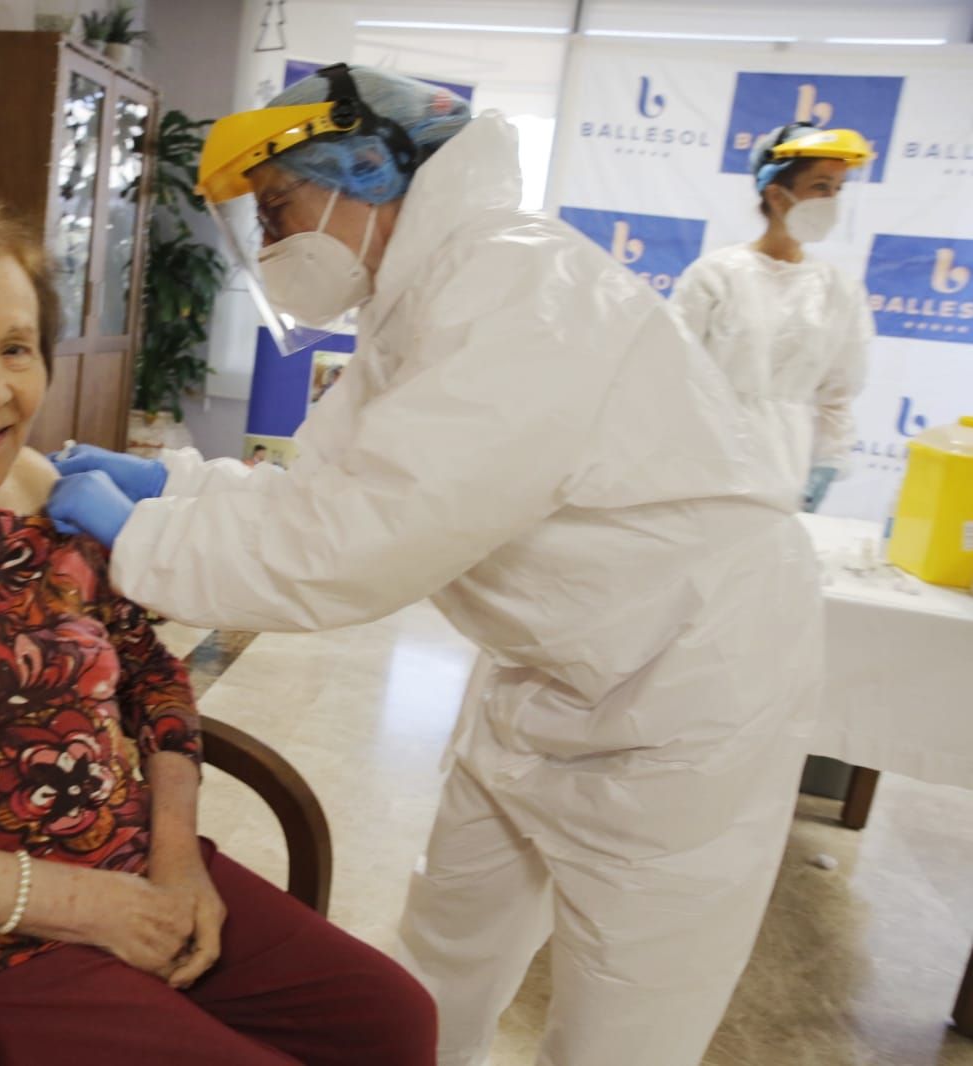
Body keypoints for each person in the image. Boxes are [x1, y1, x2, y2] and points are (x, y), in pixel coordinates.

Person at [47, 65, 824, 1066]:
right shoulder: (419, 301)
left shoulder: (519, 289)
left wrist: (136, 538)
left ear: (368, 166)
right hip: (548, 666)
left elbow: (350, 549)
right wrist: (166, 487)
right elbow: (317, 495)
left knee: (625, 1016)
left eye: (279, 210)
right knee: (446, 948)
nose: (275, 246)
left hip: (689, 687)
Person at [0, 183, 436, 1066]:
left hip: (129, 869)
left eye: (17, 349)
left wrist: (174, 859)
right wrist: (87, 908)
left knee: (393, 1022)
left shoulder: (50, 493)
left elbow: (151, 676)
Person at [673, 123, 875, 513]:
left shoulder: (839, 291)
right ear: (776, 195)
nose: (831, 200)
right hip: (704, 464)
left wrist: (828, 463)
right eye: (820, 187)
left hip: (785, 467)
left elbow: (836, 395)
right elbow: (670, 374)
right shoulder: (715, 276)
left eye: (837, 189)